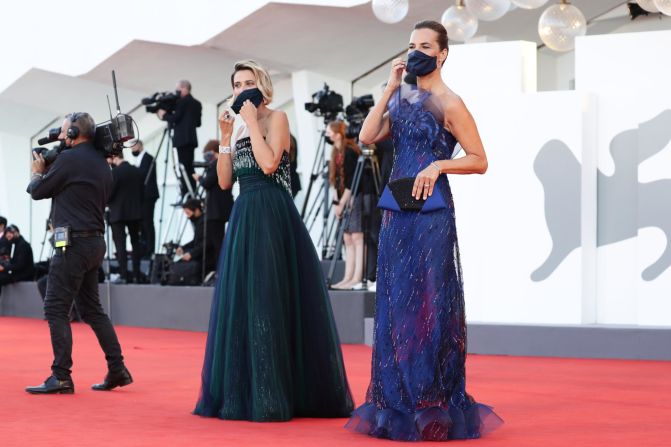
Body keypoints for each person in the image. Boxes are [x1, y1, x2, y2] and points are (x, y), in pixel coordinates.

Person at [345, 21, 503, 441]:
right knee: (397, 302)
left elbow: (479, 159)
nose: (416, 51)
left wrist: (438, 165)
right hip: (398, 211)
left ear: (443, 53)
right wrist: (391, 86)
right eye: (412, 45)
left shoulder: (450, 102)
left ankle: (432, 404)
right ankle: (395, 401)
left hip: (433, 215)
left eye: (425, 46)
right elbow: (366, 135)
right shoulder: (402, 96)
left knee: (432, 303)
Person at [193, 60, 353, 422]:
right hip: (244, 213)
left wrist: (250, 123)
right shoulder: (235, 129)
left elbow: (268, 165)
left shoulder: (277, 118)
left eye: (249, 82)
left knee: (270, 297)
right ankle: (244, 392)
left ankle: (278, 393)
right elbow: (222, 182)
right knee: (245, 300)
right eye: (236, 84)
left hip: (272, 213)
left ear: (262, 86)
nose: (242, 89)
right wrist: (224, 138)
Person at [25, 112, 132, 394]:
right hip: (95, 242)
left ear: (73, 133)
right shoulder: (102, 164)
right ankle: (117, 368)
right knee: (92, 310)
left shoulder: (69, 160)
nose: (60, 137)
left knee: (55, 308)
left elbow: (36, 191)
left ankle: (60, 376)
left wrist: (38, 171)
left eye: (63, 132)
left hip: (72, 244)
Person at [326, 121, 365, 290]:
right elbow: (333, 180)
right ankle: (347, 277)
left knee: (356, 236)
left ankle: (357, 276)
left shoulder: (350, 152)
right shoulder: (335, 152)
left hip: (353, 197)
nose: (327, 133)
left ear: (338, 133)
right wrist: (336, 203)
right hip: (342, 199)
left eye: (329, 130)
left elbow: (351, 180)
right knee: (347, 238)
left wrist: (342, 203)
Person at [157, 80, 202, 198]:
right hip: (191, 140)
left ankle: (186, 194)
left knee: (183, 168)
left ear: (184, 88)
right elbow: (198, 123)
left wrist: (164, 115)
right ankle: (192, 192)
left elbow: (175, 118)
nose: (176, 92)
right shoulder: (197, 103)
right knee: (189, 167)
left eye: (178, 89)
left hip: (182, 140)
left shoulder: (182, 102)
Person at [194, 140, 234, 274]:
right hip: (224, 208)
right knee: (220, 242)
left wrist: (199, 178)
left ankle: (221, 272)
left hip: (216, 211)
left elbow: (207, 183)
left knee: (218, 244)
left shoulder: (217, 165)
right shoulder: (224, 163)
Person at [107, 152, 143, 283]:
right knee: (136, 243)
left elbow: (109, 194)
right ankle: (136, 274)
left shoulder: (115, 173)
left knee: (120, 245)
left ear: (114, 157)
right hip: (135, 213)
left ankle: (123, 274)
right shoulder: (136, 171)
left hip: (118, 214)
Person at [131, 140, 159, 258]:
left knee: (148, 223)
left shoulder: (148, 158)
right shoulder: (139, 159)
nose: (132, 151)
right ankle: (144, 249)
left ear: (140, 146)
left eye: (133, 148)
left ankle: (150, 250)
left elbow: (143, 174)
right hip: (141, 196)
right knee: (142, 223)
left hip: (148, 195)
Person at [0, 225, 34, 296]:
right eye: (7, 237)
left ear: (16, 233)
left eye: (10, 235)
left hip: (23, 275)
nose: (9, 238)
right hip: (18, 273)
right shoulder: (16, 244)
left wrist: (4, 268)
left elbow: (20, 265)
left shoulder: (23, 245)